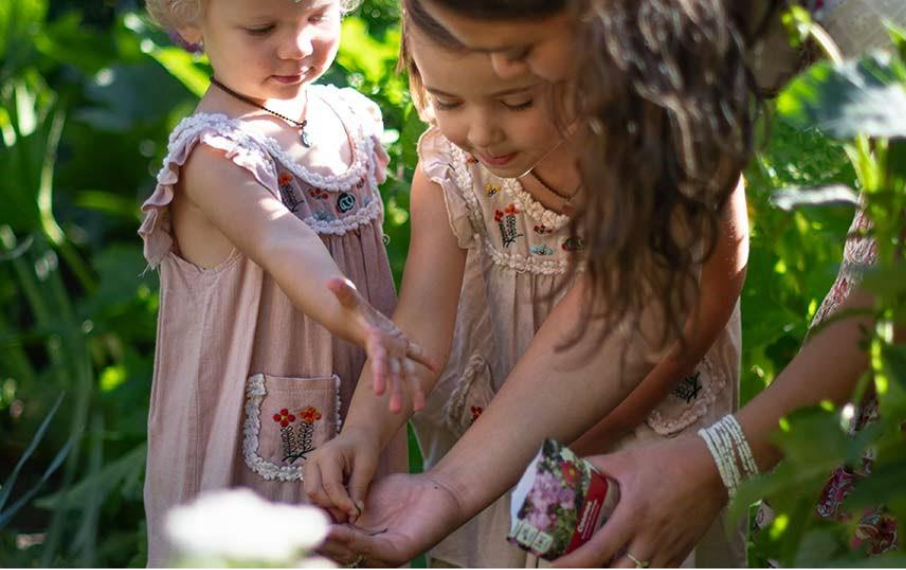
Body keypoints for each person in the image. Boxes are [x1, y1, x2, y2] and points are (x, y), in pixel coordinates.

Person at [317, 0, 778, 567]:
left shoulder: (662, 142)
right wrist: (364, 429)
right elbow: (420, 326)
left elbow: (704, 302)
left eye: (517, 101)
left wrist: (589, 433)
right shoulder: (453, 172)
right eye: (448, 101)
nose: (481, 131)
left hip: (645, 419)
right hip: (504, 436)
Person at [138, 0, 435, 566]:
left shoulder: (347, 120)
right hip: (244, 418)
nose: (297, 46)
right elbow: (284, 240)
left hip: (353, 402)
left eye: (317, 16)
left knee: (358, 536)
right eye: (262, 27)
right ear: (190, 24)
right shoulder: (215, 153)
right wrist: (360, 317)